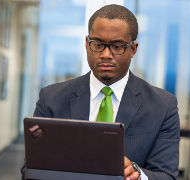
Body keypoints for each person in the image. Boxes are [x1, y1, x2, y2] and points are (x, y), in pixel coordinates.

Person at [25, 4, 180, 180]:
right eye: (98, 44)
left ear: (133, 49)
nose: (106, 54)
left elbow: (167, 176)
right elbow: (29, 170)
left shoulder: (163, 106)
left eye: (117, 46)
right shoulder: (51, 99)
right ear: (87, 44)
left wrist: (137, 175)